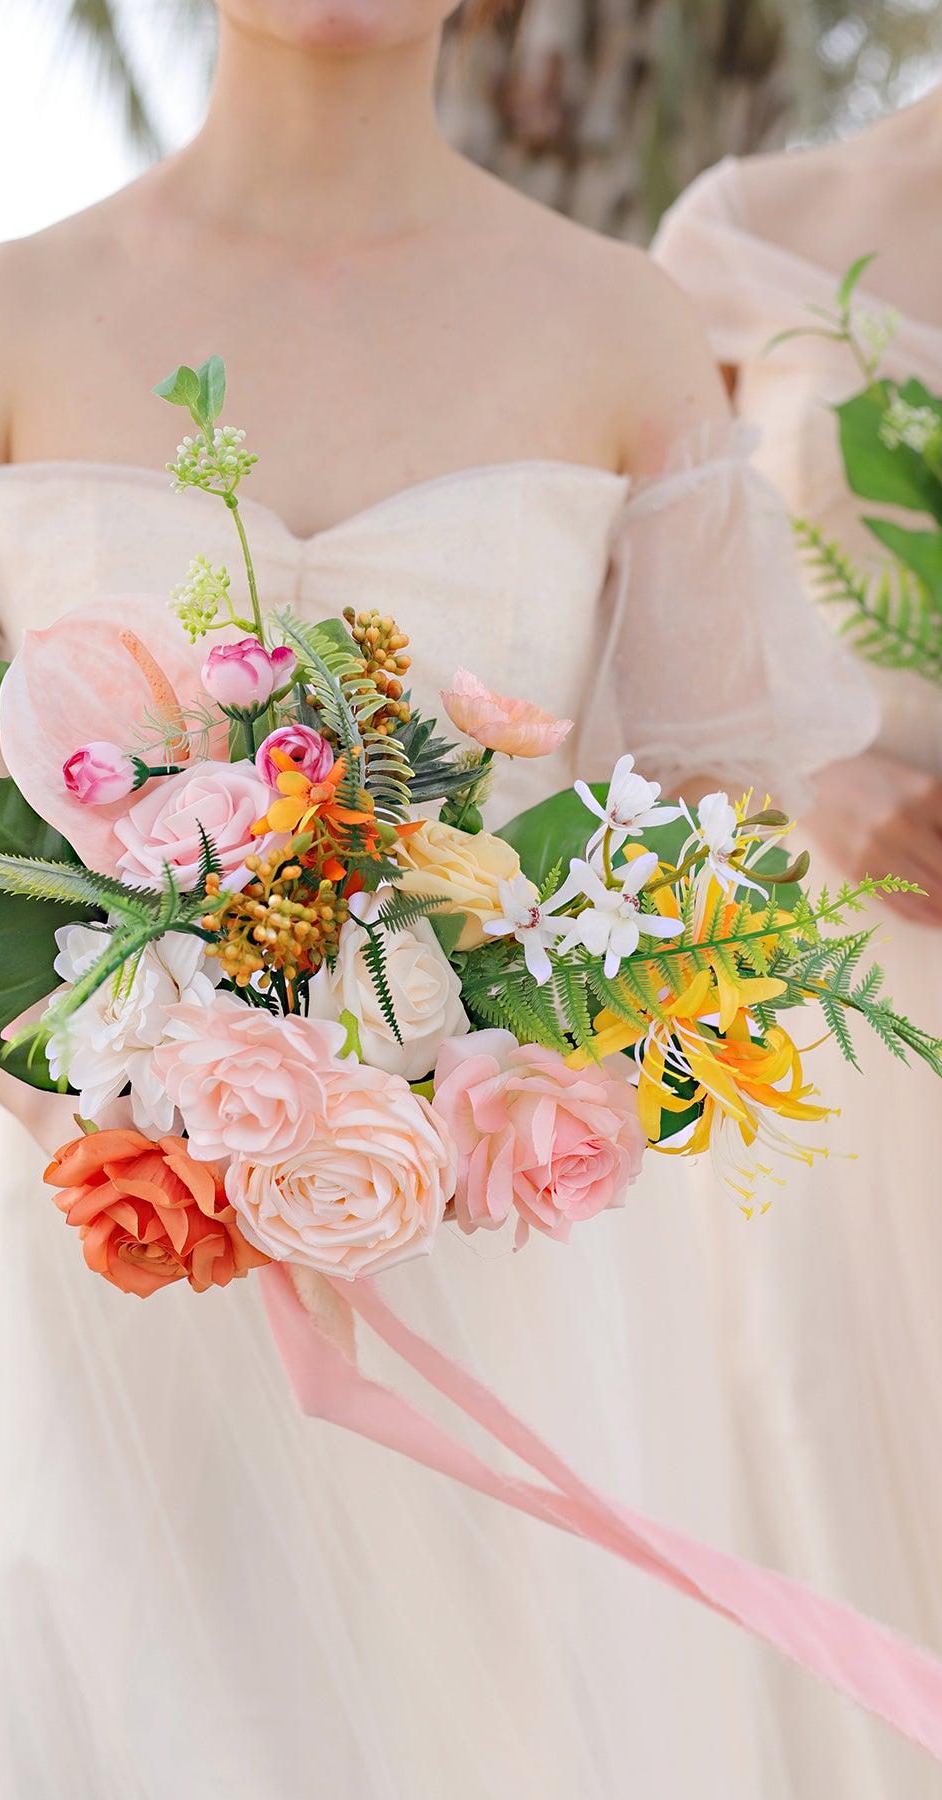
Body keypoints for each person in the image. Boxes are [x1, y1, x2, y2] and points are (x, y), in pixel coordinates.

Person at [0, 4, 880, 1794]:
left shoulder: (616, 317)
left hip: (499, 1255)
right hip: (114, 1249)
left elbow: (717, 817)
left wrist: (502, 1100)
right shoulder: (9, 312)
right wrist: (156, 1128)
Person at [653, 84, 942, 1800]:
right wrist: (821, 770)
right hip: (836, 975)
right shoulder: (756, 221)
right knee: (840, 1434)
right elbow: (650, 592)